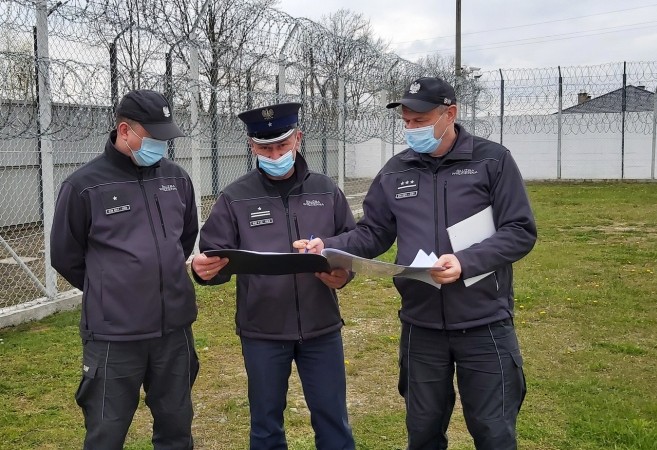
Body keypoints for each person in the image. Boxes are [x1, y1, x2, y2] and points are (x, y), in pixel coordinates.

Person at [295, 77, 537, 450]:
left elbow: (520, 229)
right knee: (422, 433)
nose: (410, 129)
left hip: (485, 323)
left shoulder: (492, 160)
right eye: (406, 122)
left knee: (494, 432)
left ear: (450, 114)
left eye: (419, 121)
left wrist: (466, 262)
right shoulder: (396, 171)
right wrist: (325, 246)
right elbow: (373, 232)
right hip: (421, 327)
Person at [191, 102, 356, 450]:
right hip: (262, 331)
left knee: (333, 422)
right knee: (265, 426)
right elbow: (216, 256)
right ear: (252, 146)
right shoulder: (234, 197)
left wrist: (343, 275)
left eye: (282, 145)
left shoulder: (326, 190)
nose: (275, 154)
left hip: (321, 328)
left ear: (298, 138)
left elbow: (351, 244)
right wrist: (204, 272)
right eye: (265, 148)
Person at [50, 90, 200, 450]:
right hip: (114, 338)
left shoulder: (177, 179)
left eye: (167, 138)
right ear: (125, 131)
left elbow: (184, 239)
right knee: (105, 434)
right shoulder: (84, 186)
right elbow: (65, 255)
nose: (163, 145)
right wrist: (111, 288)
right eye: (155, 138)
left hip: (173, 332)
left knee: (177, 429)